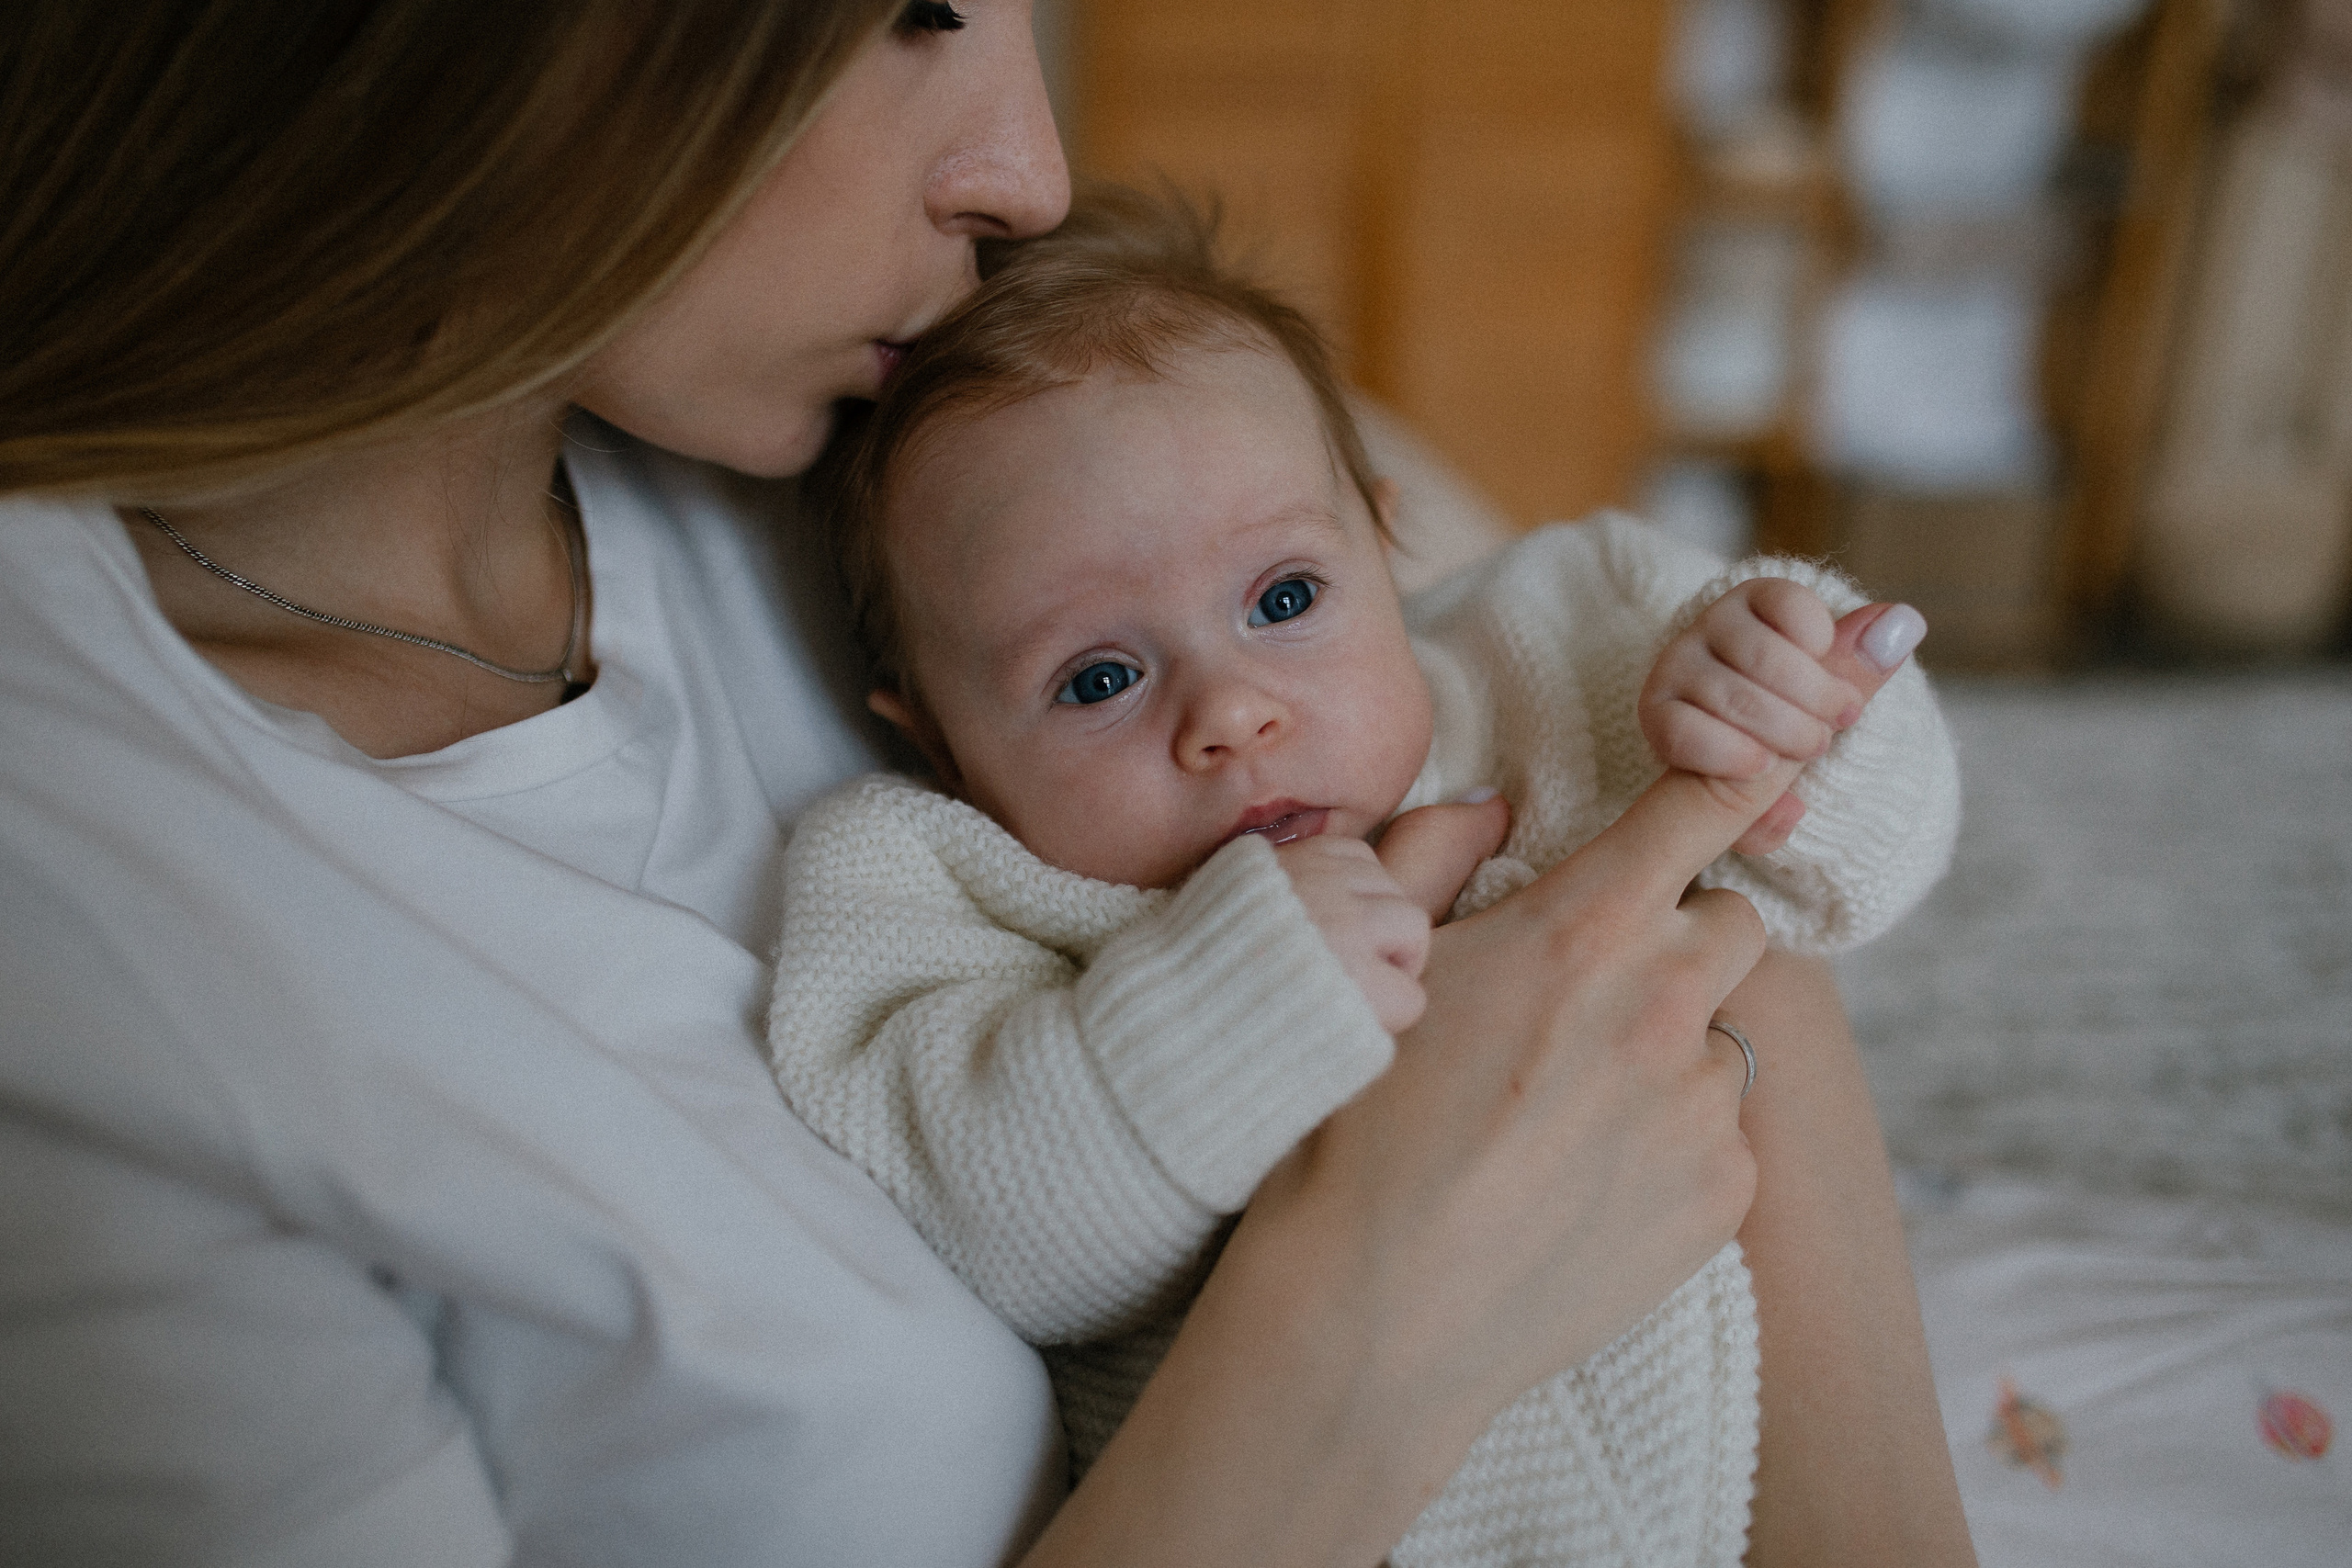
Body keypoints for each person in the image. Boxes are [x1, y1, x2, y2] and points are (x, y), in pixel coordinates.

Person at [0, 4, 1976, 1565]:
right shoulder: (91, 932)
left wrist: (1785, 686)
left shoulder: (877, 404)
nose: (1025, 177)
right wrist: (1383, 1293)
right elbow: (1014, 1169)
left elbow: (1736, 895)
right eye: (913, 6)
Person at [765, 189, 1960, 1567]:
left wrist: (1784, 698)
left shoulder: (1552, 659)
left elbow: (1846, 882)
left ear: (1388, 551)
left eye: (1284, 601)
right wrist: (1243, 991)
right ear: (941, 742)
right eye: (1097, 678)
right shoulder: (946, 893)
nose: (1231, 711)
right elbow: (1003, 1237)